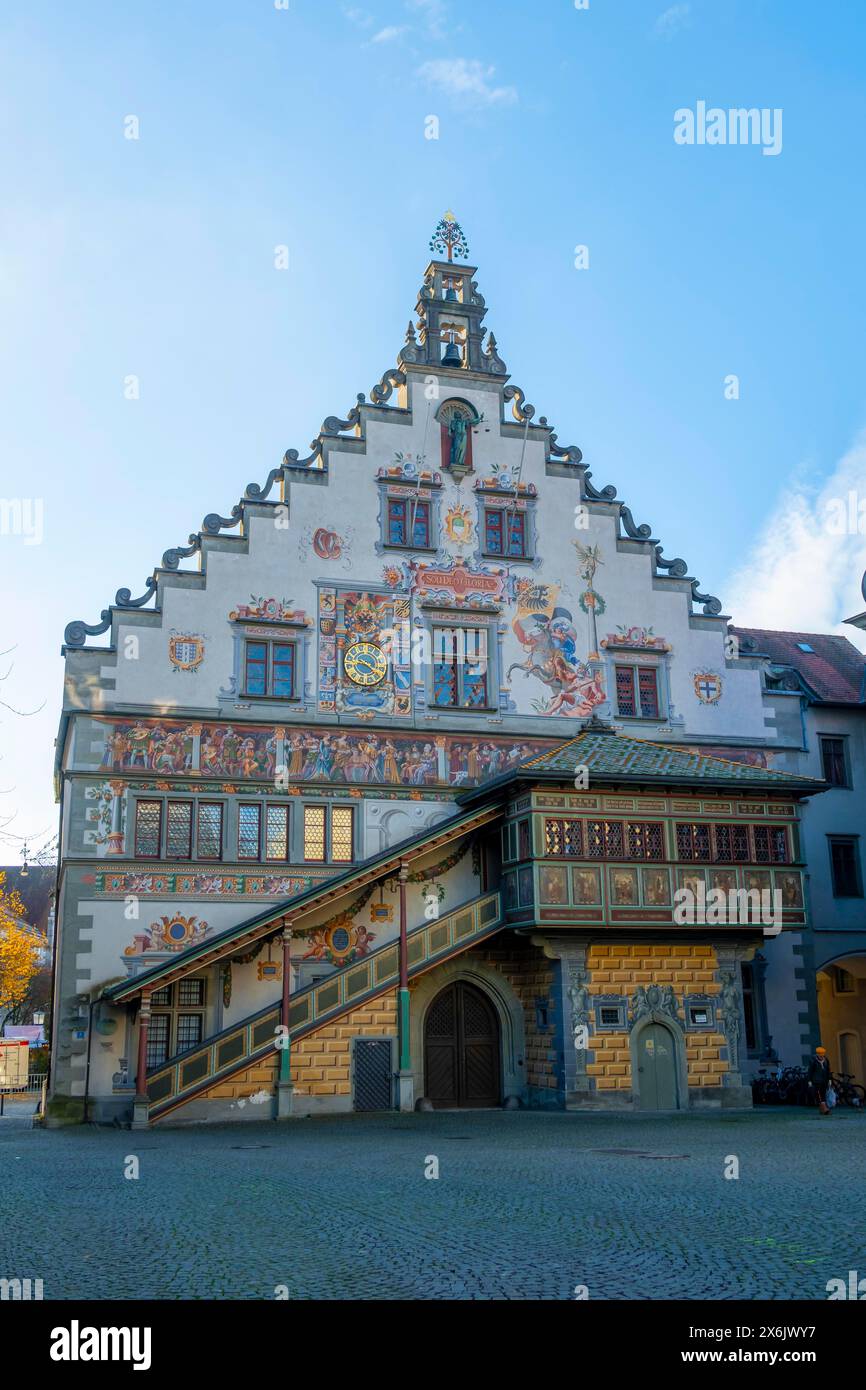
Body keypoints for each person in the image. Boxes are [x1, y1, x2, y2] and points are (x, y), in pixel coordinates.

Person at [807, 1045, 833, 1115]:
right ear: (817, 1054)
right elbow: (810, 1071)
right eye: (820, 1055)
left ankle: (822, 1109)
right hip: (816, 1081)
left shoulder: (826, 1060)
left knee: (823, 1094)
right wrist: (809, 1081)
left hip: (824, 1080)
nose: (821, 1057)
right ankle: (824, 1109)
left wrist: (830, 1080)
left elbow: (828, 1070)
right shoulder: (813, 1060)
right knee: (818, 1094)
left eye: (822, 1055)